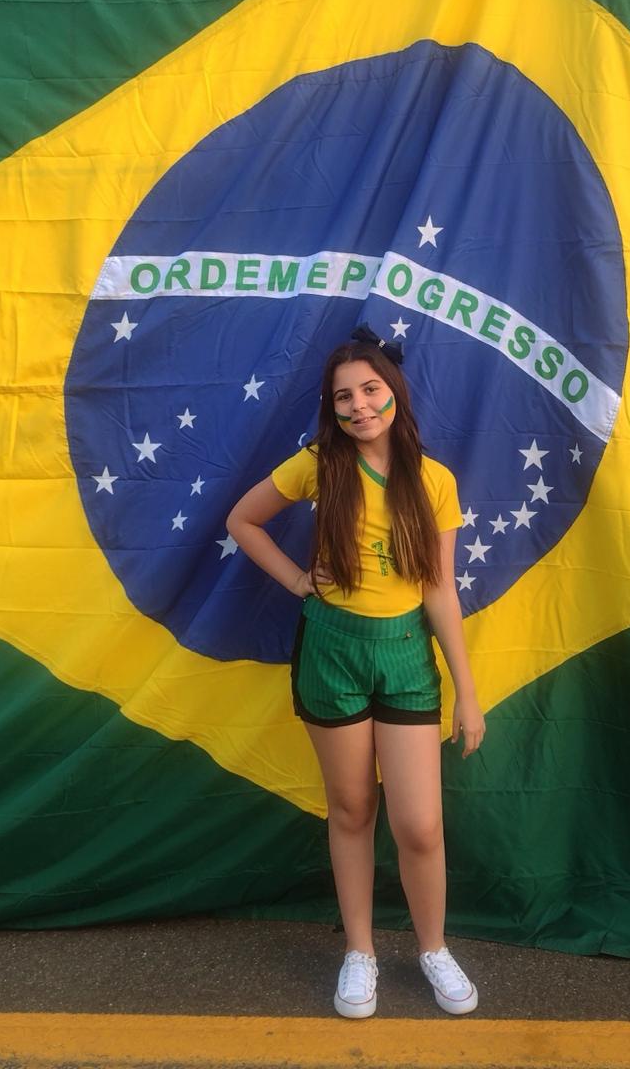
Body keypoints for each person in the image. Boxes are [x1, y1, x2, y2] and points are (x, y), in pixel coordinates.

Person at [226, 331, 485, 1019]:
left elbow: (440, 590)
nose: (359, 405)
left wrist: (467, 692)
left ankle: (433, 948)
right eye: (344, 396)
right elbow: (243, 520)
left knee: (420, 824)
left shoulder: (435, 480)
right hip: (332, 654)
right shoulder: (319, 465)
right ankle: (360, 953)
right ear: (331, 407)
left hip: (405, 658)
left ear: (394, 394)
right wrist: (296, 581)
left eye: (371, 390)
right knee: (351, 809)